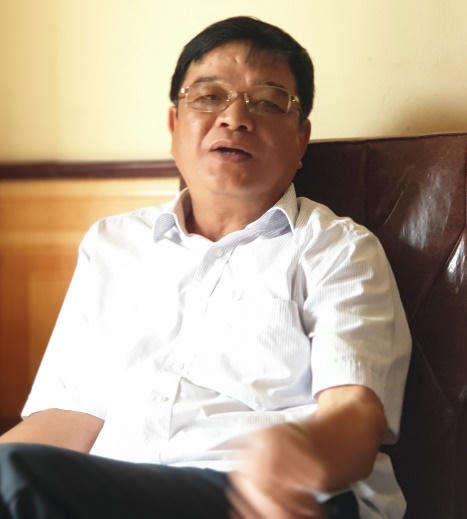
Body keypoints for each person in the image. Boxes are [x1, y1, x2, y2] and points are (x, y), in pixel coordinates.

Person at [0, 16, 411, 519]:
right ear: (174, 126)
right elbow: (69, 417)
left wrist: (301, 456)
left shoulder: (338, 249)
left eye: (267, 102)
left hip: (276, 499)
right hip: (114, 494)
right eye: (210, 96)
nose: (235, 118)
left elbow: (356, 414)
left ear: (301, 139)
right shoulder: (113, 244)